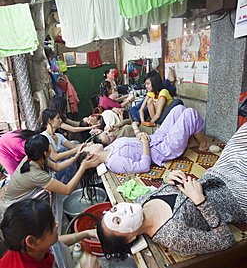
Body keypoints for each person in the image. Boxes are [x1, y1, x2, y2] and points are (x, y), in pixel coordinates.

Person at [96, 120, 247, 257]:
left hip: (219, 172)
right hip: (238, 196)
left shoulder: (140, 201)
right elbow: (225, 240)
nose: (122, 211)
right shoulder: (174, 238)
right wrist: (200, 202)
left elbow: (167, 190)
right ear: (130, 238)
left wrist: (167, 179)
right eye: (117, 221)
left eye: (114, 210)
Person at [81, 105, 210, 175]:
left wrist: (138, 136)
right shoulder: (114, 162)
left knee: (179, 109)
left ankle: (190, 141)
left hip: (156, 137)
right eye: (89, 146)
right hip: (163, 149)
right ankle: (203, 144)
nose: (91, 144)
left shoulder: (110, 147)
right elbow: (143, 166)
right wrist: (143, 142)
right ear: (91, 155)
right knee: (190, 113)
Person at [3, 134, 99, 202]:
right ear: (45, 153)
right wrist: (83, 167)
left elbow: (57, 167)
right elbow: (67, 190)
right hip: (15, 205)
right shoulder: (36, 174)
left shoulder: (35, 157)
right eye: (50, 147)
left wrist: (75, 157)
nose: (51, 148)